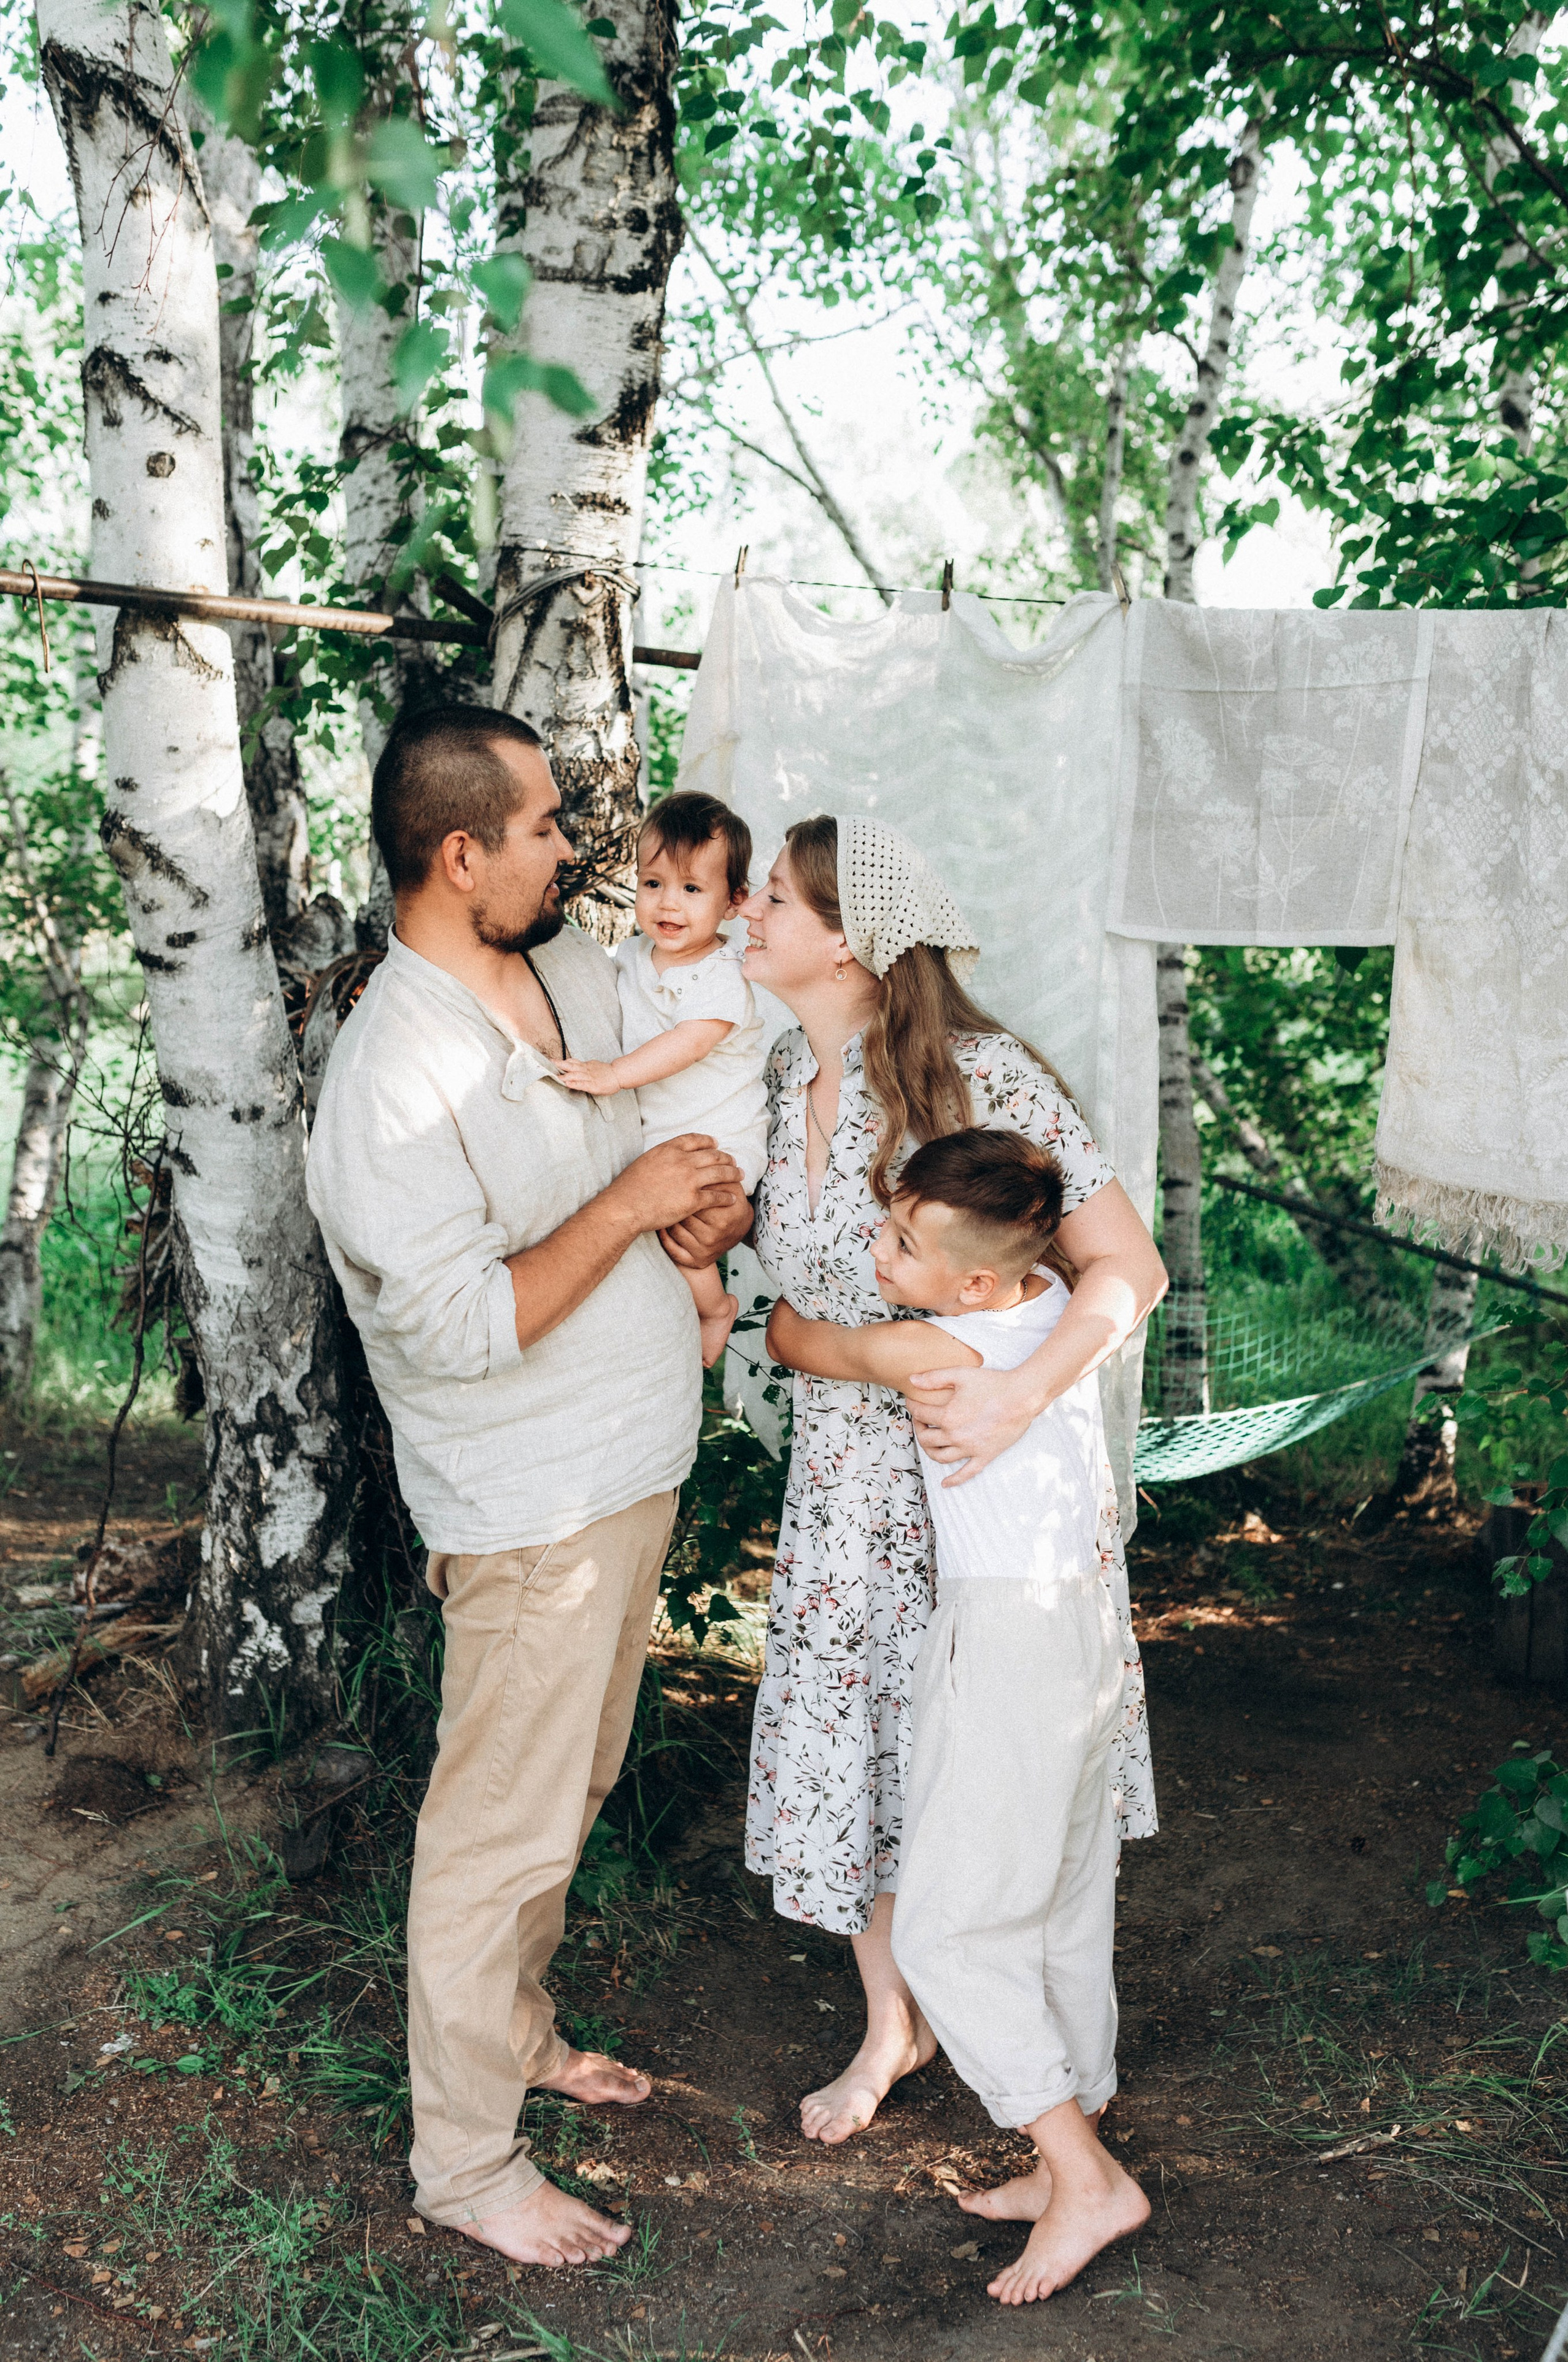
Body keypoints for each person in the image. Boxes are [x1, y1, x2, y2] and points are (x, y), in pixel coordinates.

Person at [305, 706, 749, 2270]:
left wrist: (695, 1201)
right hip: (530, 1510)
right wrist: (632, 1201)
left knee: (562, 1793)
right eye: (549, 826)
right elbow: (462, 1324)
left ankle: (516, 2031)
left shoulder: (556, 972)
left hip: (628, 1468)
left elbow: (642, 1123)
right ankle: (467, 2161)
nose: (576, 847)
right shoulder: (390, 1074)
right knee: (496, 1827)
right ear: (460, 850)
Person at [740, 811, 1165, 2146]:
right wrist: (853, 1344)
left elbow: (1127, 1270)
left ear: (852, 941)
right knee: (855, 1746)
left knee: (980, 1760)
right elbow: (791, 1315)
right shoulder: (768, 1078)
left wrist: (1014, 1391)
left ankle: (1038, 2061)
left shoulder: (985, 1076)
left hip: (974, 1478)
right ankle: (894, 2020)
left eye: (774, 898)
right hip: (837, 1489)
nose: (746, 911)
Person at [767, 1128, 1151, 2304]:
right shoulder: (1054, 1305)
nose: (878, 1254)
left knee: (945, 1931)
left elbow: (799, 1337)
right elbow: (1112, 1273)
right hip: (1086, 1624)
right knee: (1060, 1891)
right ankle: (1069, 2128)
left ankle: (1086, 2177)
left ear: (974, 1283)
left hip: (1008, 1639)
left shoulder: (946, 1340)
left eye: (901, 1243)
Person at [555, 791, 767, 1367]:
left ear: (734, 902)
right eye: (654, 884)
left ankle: (714, 1307)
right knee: (650, 1229)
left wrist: (615, 1076)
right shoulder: (631, 954)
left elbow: (688, 1043)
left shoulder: (723, 976)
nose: (669, 904)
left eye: (692, 889)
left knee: (684, 1238)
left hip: (718, 1138)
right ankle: (689, 1314)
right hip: (662, 1132)